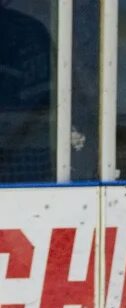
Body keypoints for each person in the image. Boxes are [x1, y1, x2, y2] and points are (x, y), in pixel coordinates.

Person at [0, 1, 52, 183]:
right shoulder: (31, 30)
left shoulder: (28, 33)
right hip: (27, 155)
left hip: (23, 159)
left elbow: (44, 104)